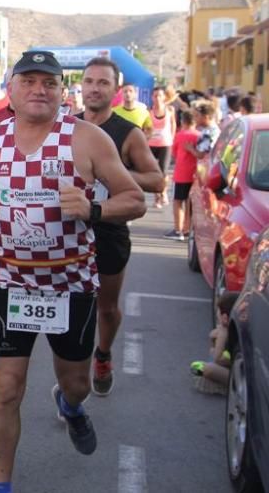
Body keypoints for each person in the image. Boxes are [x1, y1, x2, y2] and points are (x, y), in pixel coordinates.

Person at [0, 50, 145, 491]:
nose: (38, 90)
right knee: (7, 389)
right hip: (10, 283)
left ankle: (71, 406)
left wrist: (94, 208)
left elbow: (135, 198)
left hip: (71, 286)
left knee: (77, 384)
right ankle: (2, 485)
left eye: (48, 82)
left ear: (62, 91)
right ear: (11, 89)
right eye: (28, 81)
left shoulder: (86, 138)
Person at [78, 57, 164, 397]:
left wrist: (112, 175)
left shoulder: (127, 132)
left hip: (110, 230)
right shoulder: (67, 127)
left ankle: (103, 354)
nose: (95, 88)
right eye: (89, 81)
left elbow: (157, 180)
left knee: (106, 307)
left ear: (115, 90)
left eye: (103, 82)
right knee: (73, 306)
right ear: (81, 86)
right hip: (69, 229)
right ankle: (74, 376)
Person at [190, 291, 239, 394]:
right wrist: (213, 340)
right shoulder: (234, 330)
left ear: (225, 318)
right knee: (200, 364)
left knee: (207, 369)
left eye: (218, 312)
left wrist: (221, 334)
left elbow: (217, 359)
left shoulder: (227, 333)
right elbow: (216, 356)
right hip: (232, 367)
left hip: (237, 375)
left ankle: (227, 388)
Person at [166, 109, 199, 241]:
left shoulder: (180, 135)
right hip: (194, 174)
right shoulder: (199, 135)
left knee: (178, 202)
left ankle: (178, 229)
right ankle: (187, 229)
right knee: (190, 204)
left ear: (183, 121)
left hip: (180, 174)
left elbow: (173, 152)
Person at [148, 86, 176, 208]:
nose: (157, 98)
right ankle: (157, 198)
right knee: (154, 172)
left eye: (160, 95)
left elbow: (173, 124)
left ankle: (163, 192)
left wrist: (172, 137)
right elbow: (146, 128)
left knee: (163, 171)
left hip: (165, 144)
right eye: (155, 96)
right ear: (152, 98)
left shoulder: (170, 109)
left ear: (164, 97)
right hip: (151, 144)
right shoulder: (149, 111)